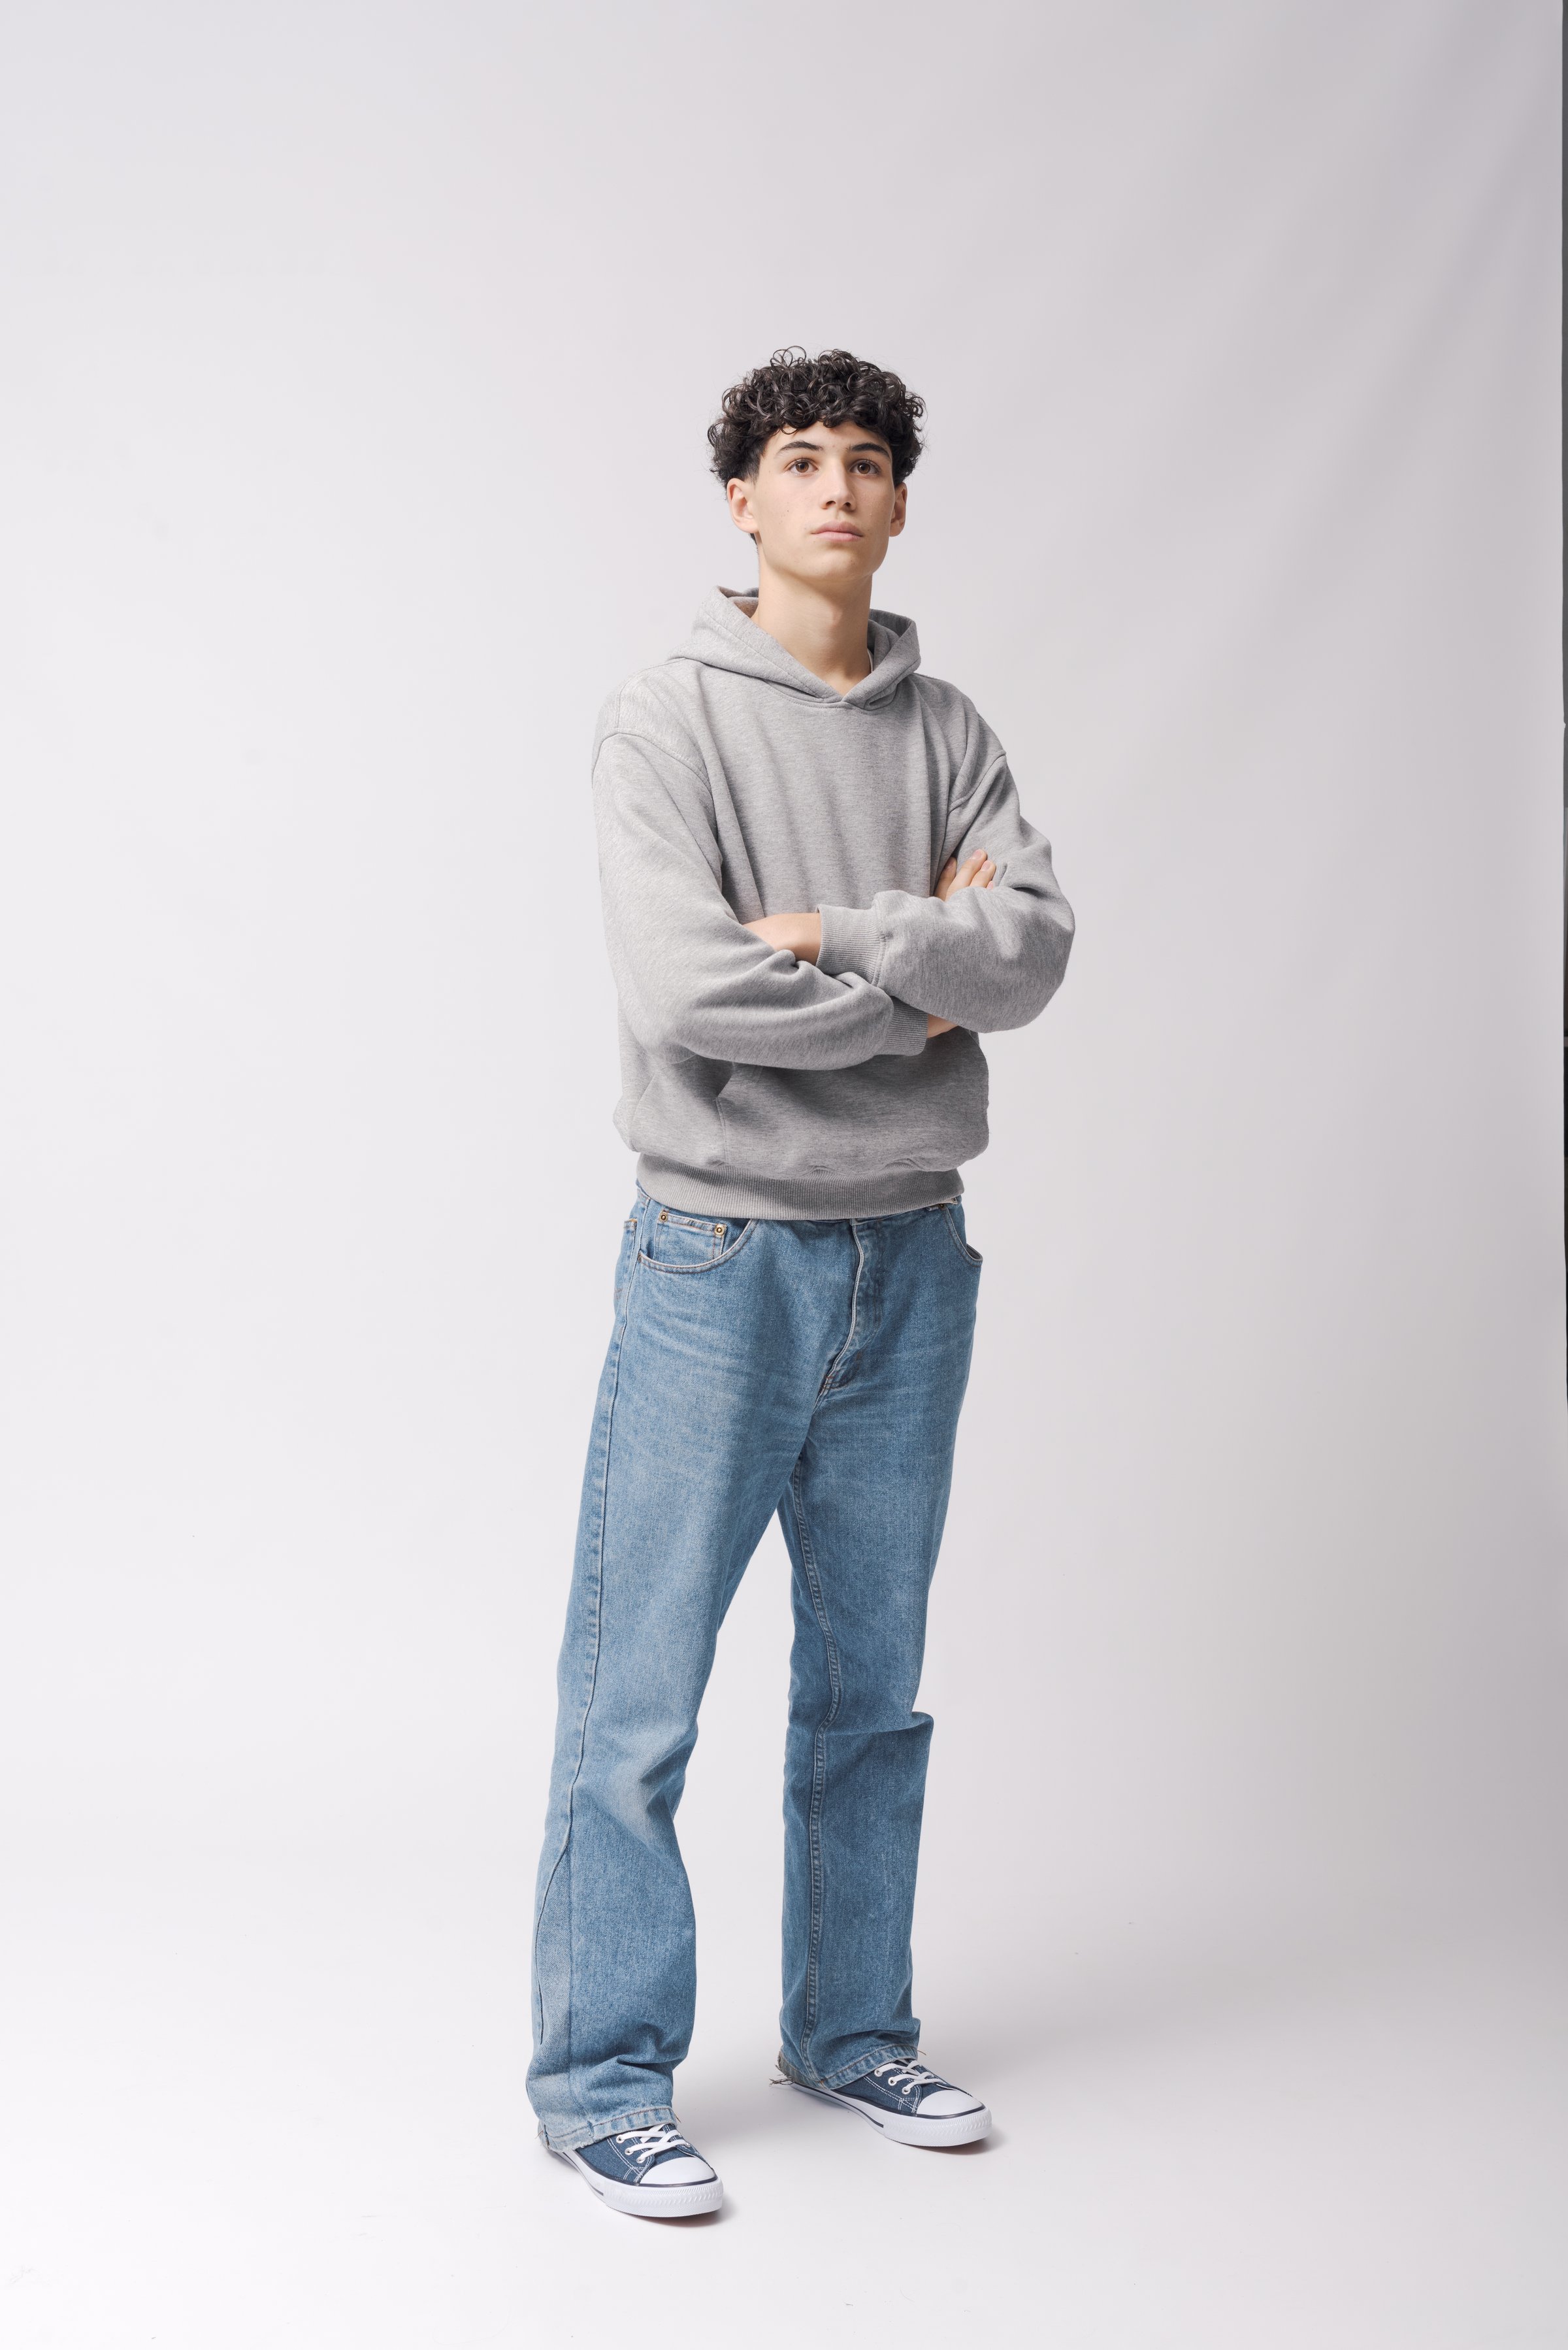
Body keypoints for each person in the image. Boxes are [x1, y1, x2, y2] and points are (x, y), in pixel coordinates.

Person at [528, 347, 1074, 2217]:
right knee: (642, 1692)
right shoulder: (664, 721)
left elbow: (1039, 947)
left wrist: (849, 933)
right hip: (721, 1252)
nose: (834, 485)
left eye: (866, 460)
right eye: (795, 459)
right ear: (742, 503)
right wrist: (930, 989)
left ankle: (852, 2030)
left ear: (902, 501)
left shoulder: (952, 730)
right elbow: (691, 991)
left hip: (912, 1254)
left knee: (874, 1684)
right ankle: (603, 2076)